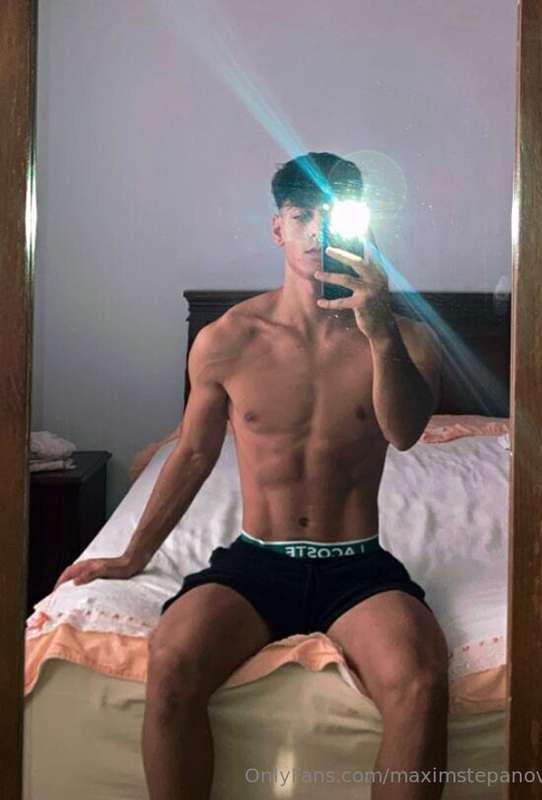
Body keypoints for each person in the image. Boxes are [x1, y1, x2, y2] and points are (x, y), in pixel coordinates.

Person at [55, 152, 449, 800]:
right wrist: (132, 556)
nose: (316, 231)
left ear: (362, 228)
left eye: (333, 216)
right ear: (278, 228)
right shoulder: (228, 339)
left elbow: (404, 432)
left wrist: (379, 332)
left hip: (356, 564)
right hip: (257, 562)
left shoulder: (407, 340)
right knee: (171, 660)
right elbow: (192, 455)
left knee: (422, 682)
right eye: (302, 216)